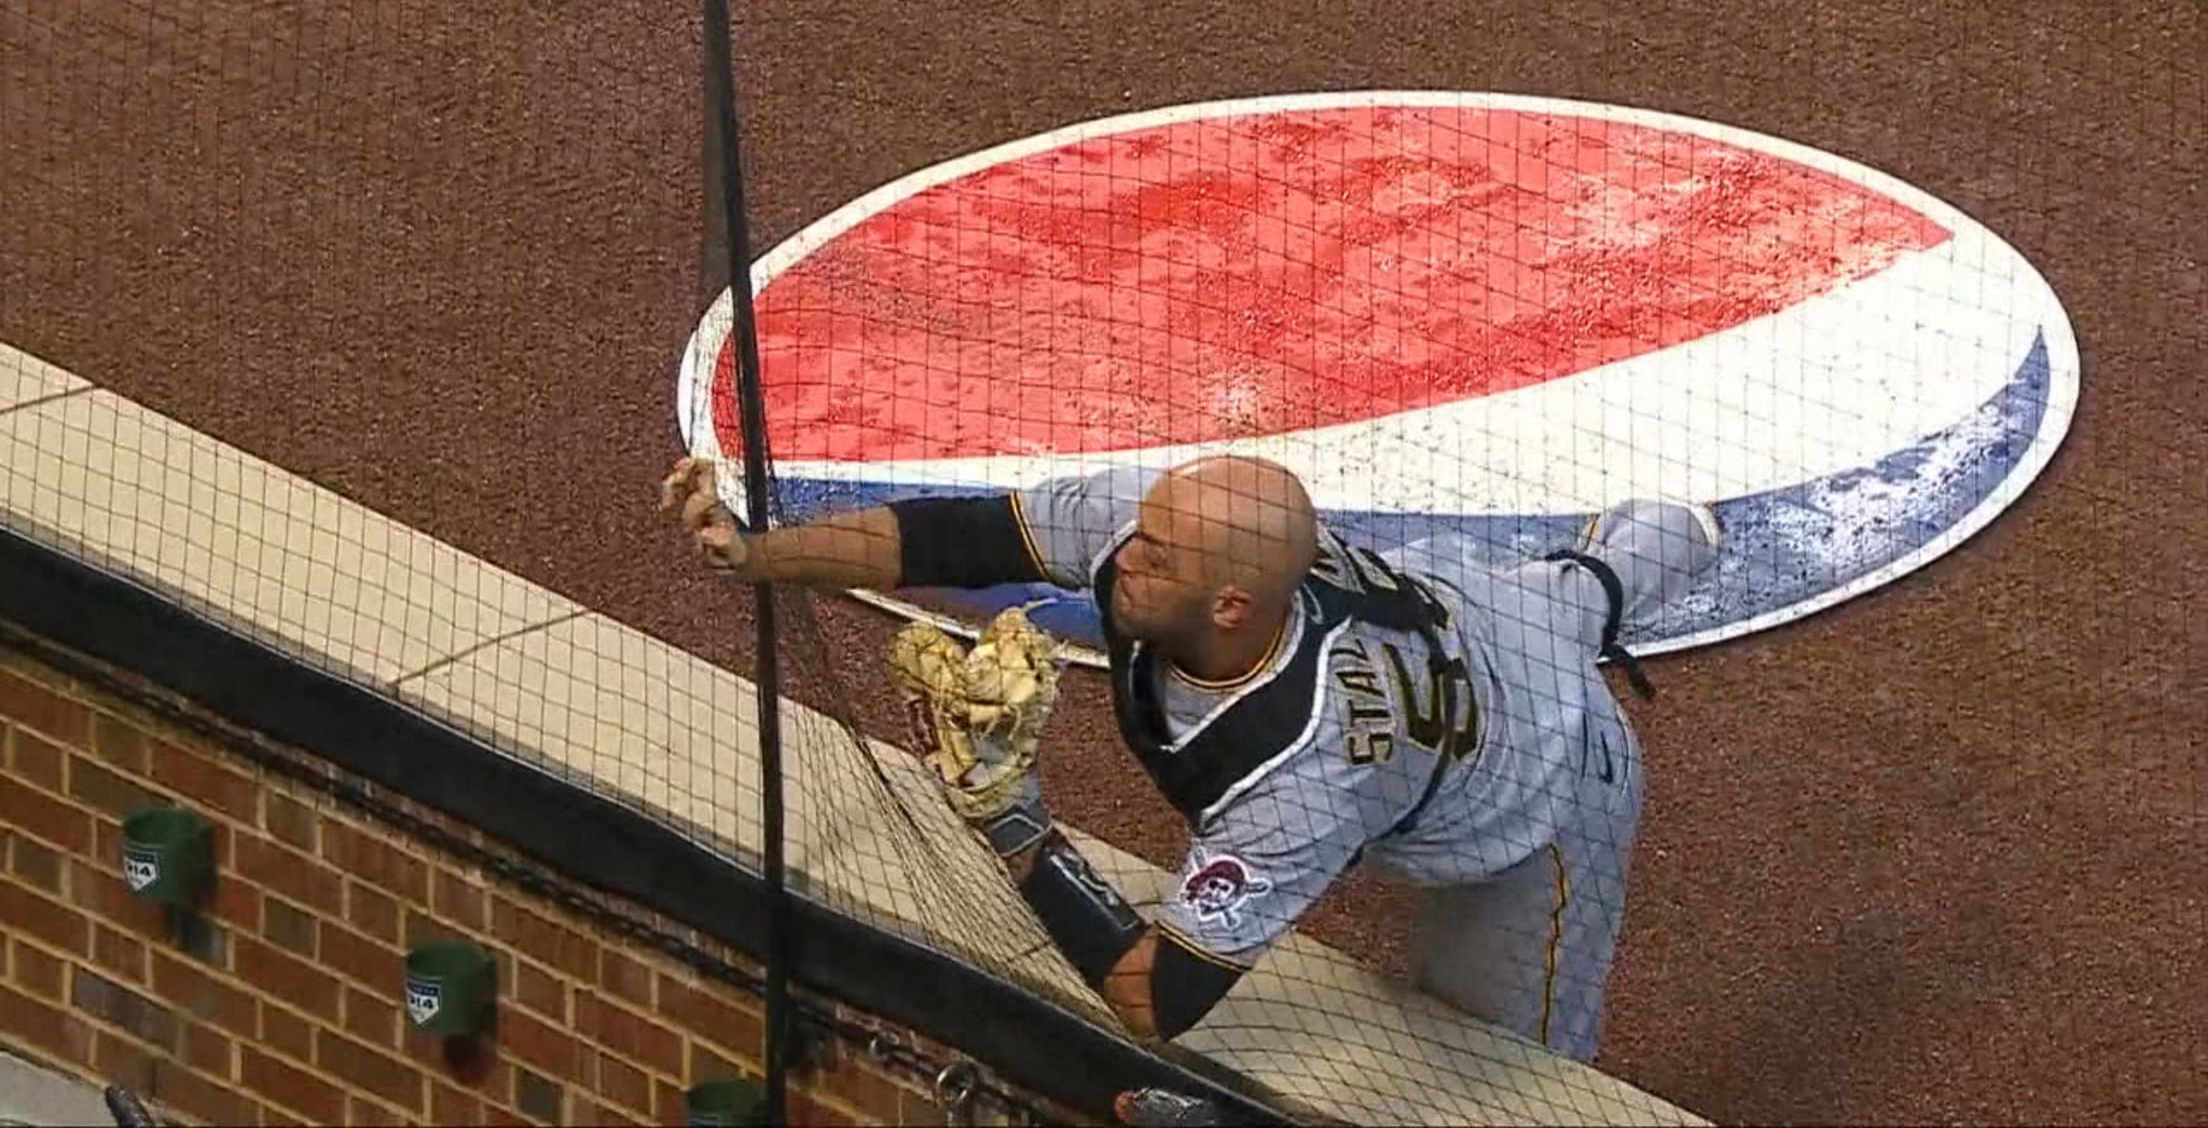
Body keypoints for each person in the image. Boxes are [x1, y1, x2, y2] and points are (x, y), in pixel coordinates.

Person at [659, 452, 1721, 1061]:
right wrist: (756, 555)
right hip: (1470, 607)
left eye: (1152, 556)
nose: (1124, 554)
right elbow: (957, 539)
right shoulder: (1159, 536)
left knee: (1506, 1073)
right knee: (1570, 596)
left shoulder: (1305, 772)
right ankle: (1652, 542)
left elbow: (1158, 1000)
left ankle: (1638, 555)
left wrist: (1011, 819)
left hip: (1541, 777)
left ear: (1227, 603)